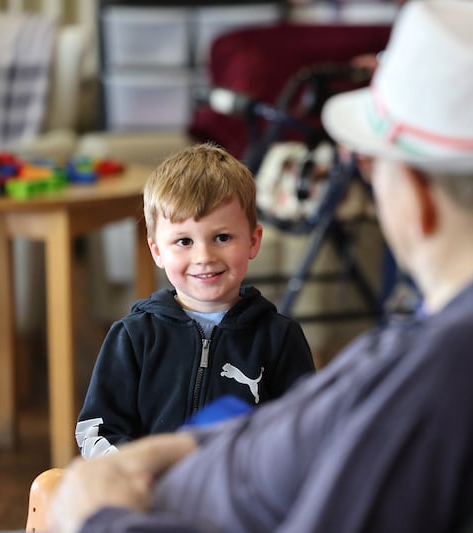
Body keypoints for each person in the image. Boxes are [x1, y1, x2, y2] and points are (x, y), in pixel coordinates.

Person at [49, 1, 473, 531]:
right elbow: (308, 419)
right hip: (188, 471)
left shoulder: (440, 386)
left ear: (418, 198)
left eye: (376, 171)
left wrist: (100, 517)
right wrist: (166, 451)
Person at [75, 142, 315, 458]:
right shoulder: (134, 336)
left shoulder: (279, 338)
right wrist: (136, 469)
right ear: (157, 251)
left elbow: (306, 433)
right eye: (184, 241)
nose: (204, 257)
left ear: (253, 241)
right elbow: (97, 430)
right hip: (153, 496)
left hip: (237, 498)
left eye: (222, 237)